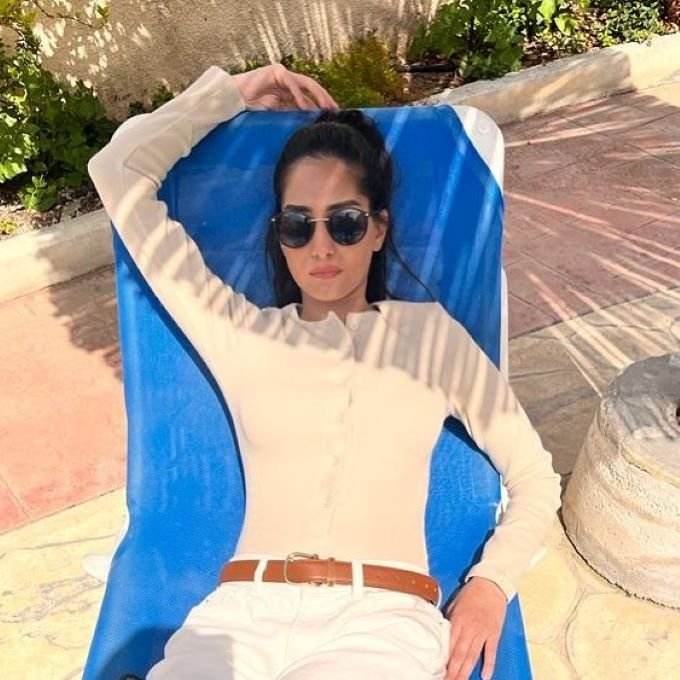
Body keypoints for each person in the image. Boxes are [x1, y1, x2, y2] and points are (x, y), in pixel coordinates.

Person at [87, 63, 562, 680]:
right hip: (240, 617)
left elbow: (534, 475)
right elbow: (118, 172)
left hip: (382, 621)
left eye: (345, 222)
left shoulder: (432, 337)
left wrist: (492, 583)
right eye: (297, 225)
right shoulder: (240, 332)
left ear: (378, 229)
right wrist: (230, 93)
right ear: (279, 234)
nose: (321, 246)